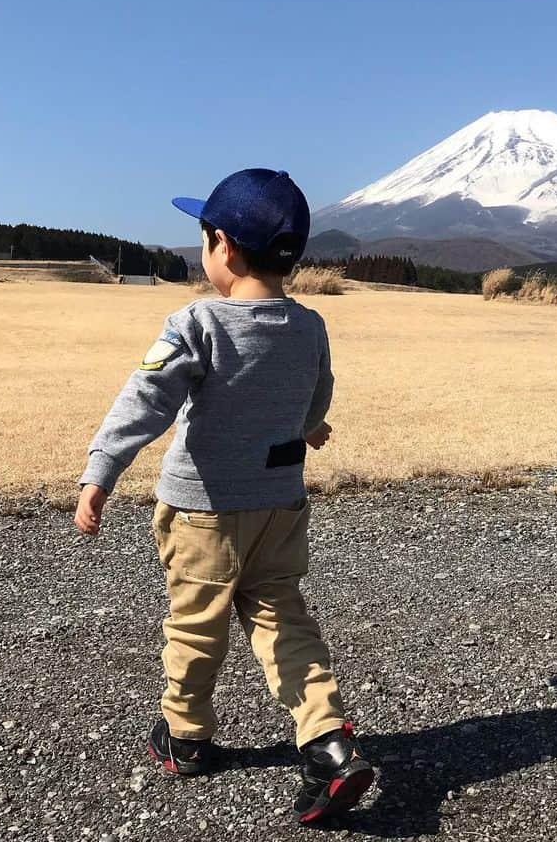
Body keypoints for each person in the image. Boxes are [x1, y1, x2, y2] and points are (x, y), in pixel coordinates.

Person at [72, 168, 374, 825]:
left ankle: (185, 737)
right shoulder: (309, 325)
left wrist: (101, 470)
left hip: (203, 513)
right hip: (279, 507)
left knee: (196, 626)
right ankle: (327, 741)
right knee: (282, 620)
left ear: (222, 247)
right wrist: (308, 426)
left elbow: (145, 399)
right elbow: (314, 394)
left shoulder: (196, 321)